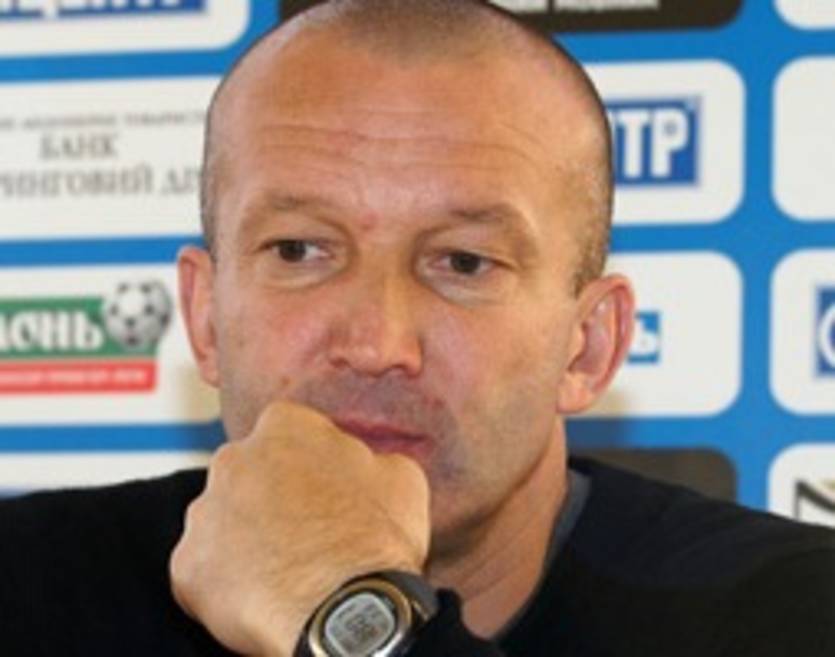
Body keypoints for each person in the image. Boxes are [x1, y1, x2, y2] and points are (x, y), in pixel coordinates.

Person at [2, 1, 834, 656]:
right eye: (299, 250)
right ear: (205, 315)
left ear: (587, 343)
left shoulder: (788, 612)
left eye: (462, 262)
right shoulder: (28, 588)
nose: (376, 344)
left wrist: (340, 607)